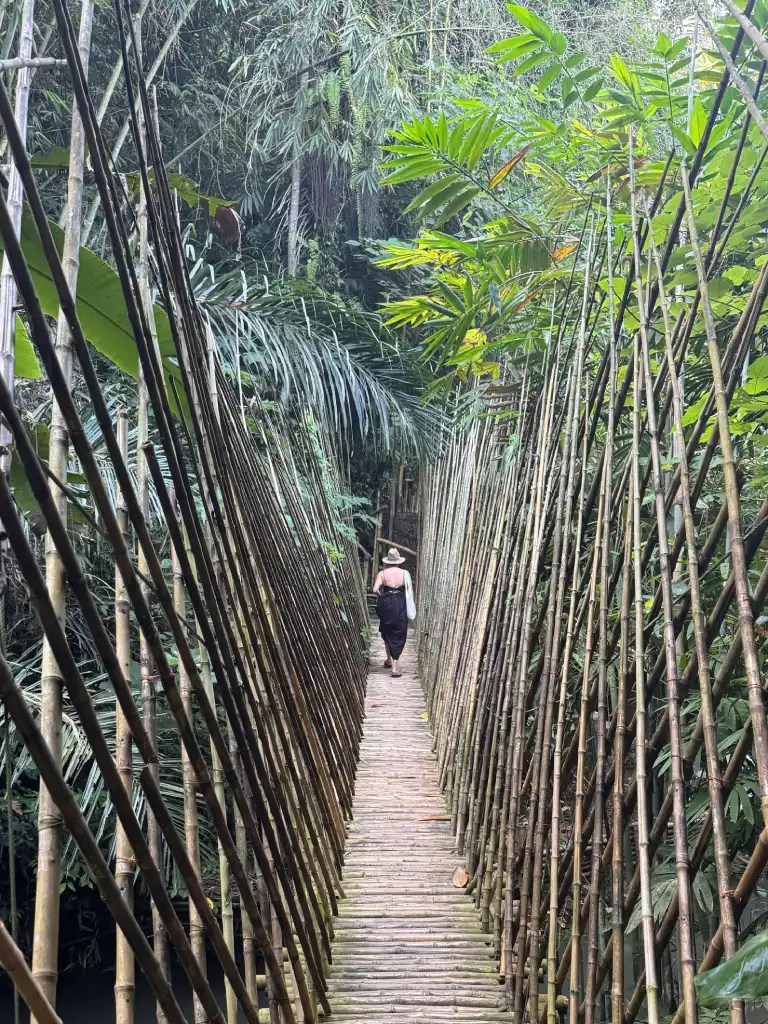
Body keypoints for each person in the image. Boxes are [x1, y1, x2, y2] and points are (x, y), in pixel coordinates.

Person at [372, 547, 416, 678]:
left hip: (386, 603)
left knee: (387, 630)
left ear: (387, 561)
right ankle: (395, 668)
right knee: (399, 631)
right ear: (399, 561)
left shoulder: (382, 573)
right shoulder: (404, 573)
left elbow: (375, 589)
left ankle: (388, 659)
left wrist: (382, 596)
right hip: (400, 603)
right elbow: (409, 591)